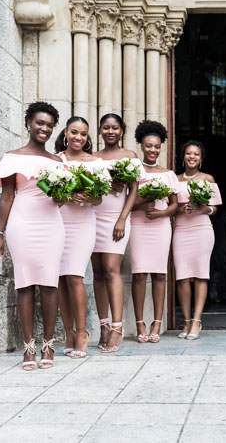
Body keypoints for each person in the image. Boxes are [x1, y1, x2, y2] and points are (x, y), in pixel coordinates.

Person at [0, 102, 64, 371]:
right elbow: (7, 196)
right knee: (24, 284)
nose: (44, 128)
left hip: (51, 225)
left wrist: (62, 196)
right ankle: (29, 347)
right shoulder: (13, 157)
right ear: (29, 123)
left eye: (49, 125)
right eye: (39, 123)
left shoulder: (58, 161)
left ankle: (48, 344)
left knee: (49, 284)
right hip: (22, 223)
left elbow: (61, 200)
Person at [54, 116, 102, 359]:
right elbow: (50, 193)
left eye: (83, 134)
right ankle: (69, 332)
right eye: (74, 132)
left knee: (74, 276)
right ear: (65, 132)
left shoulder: (95, 162)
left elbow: (100, 199)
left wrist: (88, 197)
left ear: (87, 137)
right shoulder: (56, 160)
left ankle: (82, 333)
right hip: (58, 222)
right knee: (61, 279)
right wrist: (65, 195)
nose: (78, 138)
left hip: (83, 224)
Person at [129, 120, 178, 343]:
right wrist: (141, 205)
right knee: (139, 273)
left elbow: (175, 205)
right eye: (149, 145)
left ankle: (157, 322)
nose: (153, 150)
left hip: (160, 226)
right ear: (141, 145)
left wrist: (160, 213)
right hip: (139, 223)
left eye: (157, 146)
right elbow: (127, 202)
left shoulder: (168, 174)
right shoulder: (133, 170)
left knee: (160, 273)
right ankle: (140, 322)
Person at [92, 113, 138, 353]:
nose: (111, 132)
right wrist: (106, 182)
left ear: (122, 131)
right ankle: (103, 326)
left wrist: (122, 218)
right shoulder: (93, 158)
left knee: (111, 270)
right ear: (100, 130)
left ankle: (118, 327)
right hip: (92, 217)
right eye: (106, 128)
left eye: (115, 128)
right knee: (97, 272)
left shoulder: (129, 156)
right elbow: (88, 186)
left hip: (115, 219)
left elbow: (133, 191)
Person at [173, 140, 222, 340]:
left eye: (196, 154)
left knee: (201, 274)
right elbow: (169, 206)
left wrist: (203, 208)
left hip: (202, 230)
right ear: (183, 157)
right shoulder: (174, 179)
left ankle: (197, 320)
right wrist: (180, 209)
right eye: (188, 153)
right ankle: (185, 320)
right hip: (181, 229)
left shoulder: (207, 178)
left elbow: (215, 208)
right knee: (182, 276)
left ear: (201, 159)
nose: (192, 157)